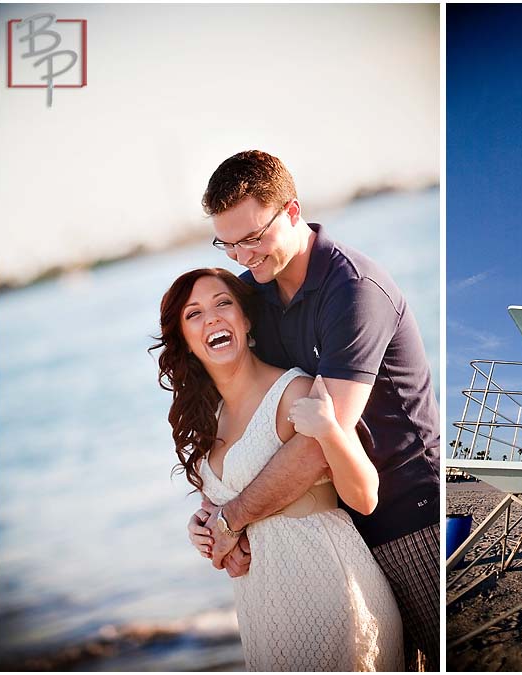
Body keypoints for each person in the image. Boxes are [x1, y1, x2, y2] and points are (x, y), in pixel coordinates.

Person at [187, 150, 440, 669]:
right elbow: (253, 420)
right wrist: (213, 515)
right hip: (334, 530)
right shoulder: (256, 293)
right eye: (228, 243)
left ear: (293, 211)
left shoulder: (353, 291)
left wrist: (234, 518)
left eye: (253, 237)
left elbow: (318, 447)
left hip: (410, 518)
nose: (243, 257)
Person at [152, 268, 404, 670]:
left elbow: (364, 496)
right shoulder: (206, 419)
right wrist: (201, 531)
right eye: (194, 313)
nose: (213, 318)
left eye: (223, 304)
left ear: (246, 319)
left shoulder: (294, 392)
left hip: (326, 584)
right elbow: (218, 510)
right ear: (184, 339)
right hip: (261, 605)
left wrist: (330, 432)